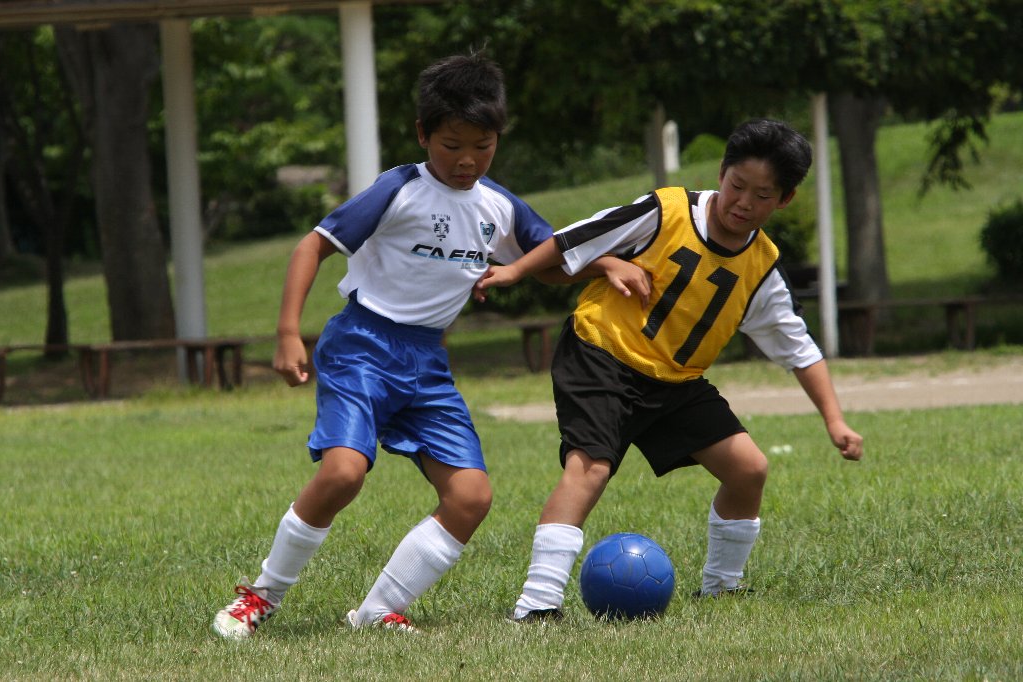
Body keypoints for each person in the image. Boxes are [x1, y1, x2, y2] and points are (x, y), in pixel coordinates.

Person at [210, 51, 633, 639]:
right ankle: (259, 598)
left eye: (483, 146)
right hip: (361, 346)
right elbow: (313, 245)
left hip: (427, 362)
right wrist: (287, 332)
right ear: (422, 134)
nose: (467, 160)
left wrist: (605, 263)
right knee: (343, 474)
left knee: (470, 496)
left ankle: (378, 609)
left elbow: (550, 256)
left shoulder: (497, 205)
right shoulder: (399, 188)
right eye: (452, 144)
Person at [474, 118, 864, 621]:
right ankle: (537, 605)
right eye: (737, 185)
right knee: (590, 468)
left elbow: (800, 350)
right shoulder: (665, 210)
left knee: (749, 469)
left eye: (762, 195)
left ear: (784, 200)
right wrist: (514, 270)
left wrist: (835, 421)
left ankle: (721, 589)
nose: (743, 202)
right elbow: (572, 240)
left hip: (675, 383)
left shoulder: (762, 267)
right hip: (601, 355)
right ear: (721, 173)